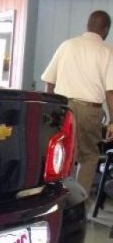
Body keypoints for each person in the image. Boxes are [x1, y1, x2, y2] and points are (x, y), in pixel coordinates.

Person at [42, 10, 113, 198]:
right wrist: (112, 121)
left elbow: (49, 81)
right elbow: (110, 92)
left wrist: (49, 109)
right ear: (106, 29)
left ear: (87, 25)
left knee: (63, 155)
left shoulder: (67, 45)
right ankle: (78, 203)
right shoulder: (107, 51)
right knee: (88, 157)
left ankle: (58, 199)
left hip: (63, 107)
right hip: (90, 111)